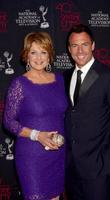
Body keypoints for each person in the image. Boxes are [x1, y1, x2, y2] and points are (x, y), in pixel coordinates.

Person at [64, 24, 110, 200]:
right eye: (74, 45)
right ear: (69, 48)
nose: (80, 50)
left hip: (98, 168)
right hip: (70, 168)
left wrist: (108, 158)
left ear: (93, 45)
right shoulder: (65, 76)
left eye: (84, 44)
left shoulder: (109, 76)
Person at [3, 32, 68, 200]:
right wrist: (37, 135)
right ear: (26, 55)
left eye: (43, 52)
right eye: (33, 52)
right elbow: (8, 122)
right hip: (32, 157)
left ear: (50, 55)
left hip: (57, 153)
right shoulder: (19, 84)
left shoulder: (60, 80)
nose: (39, 58)